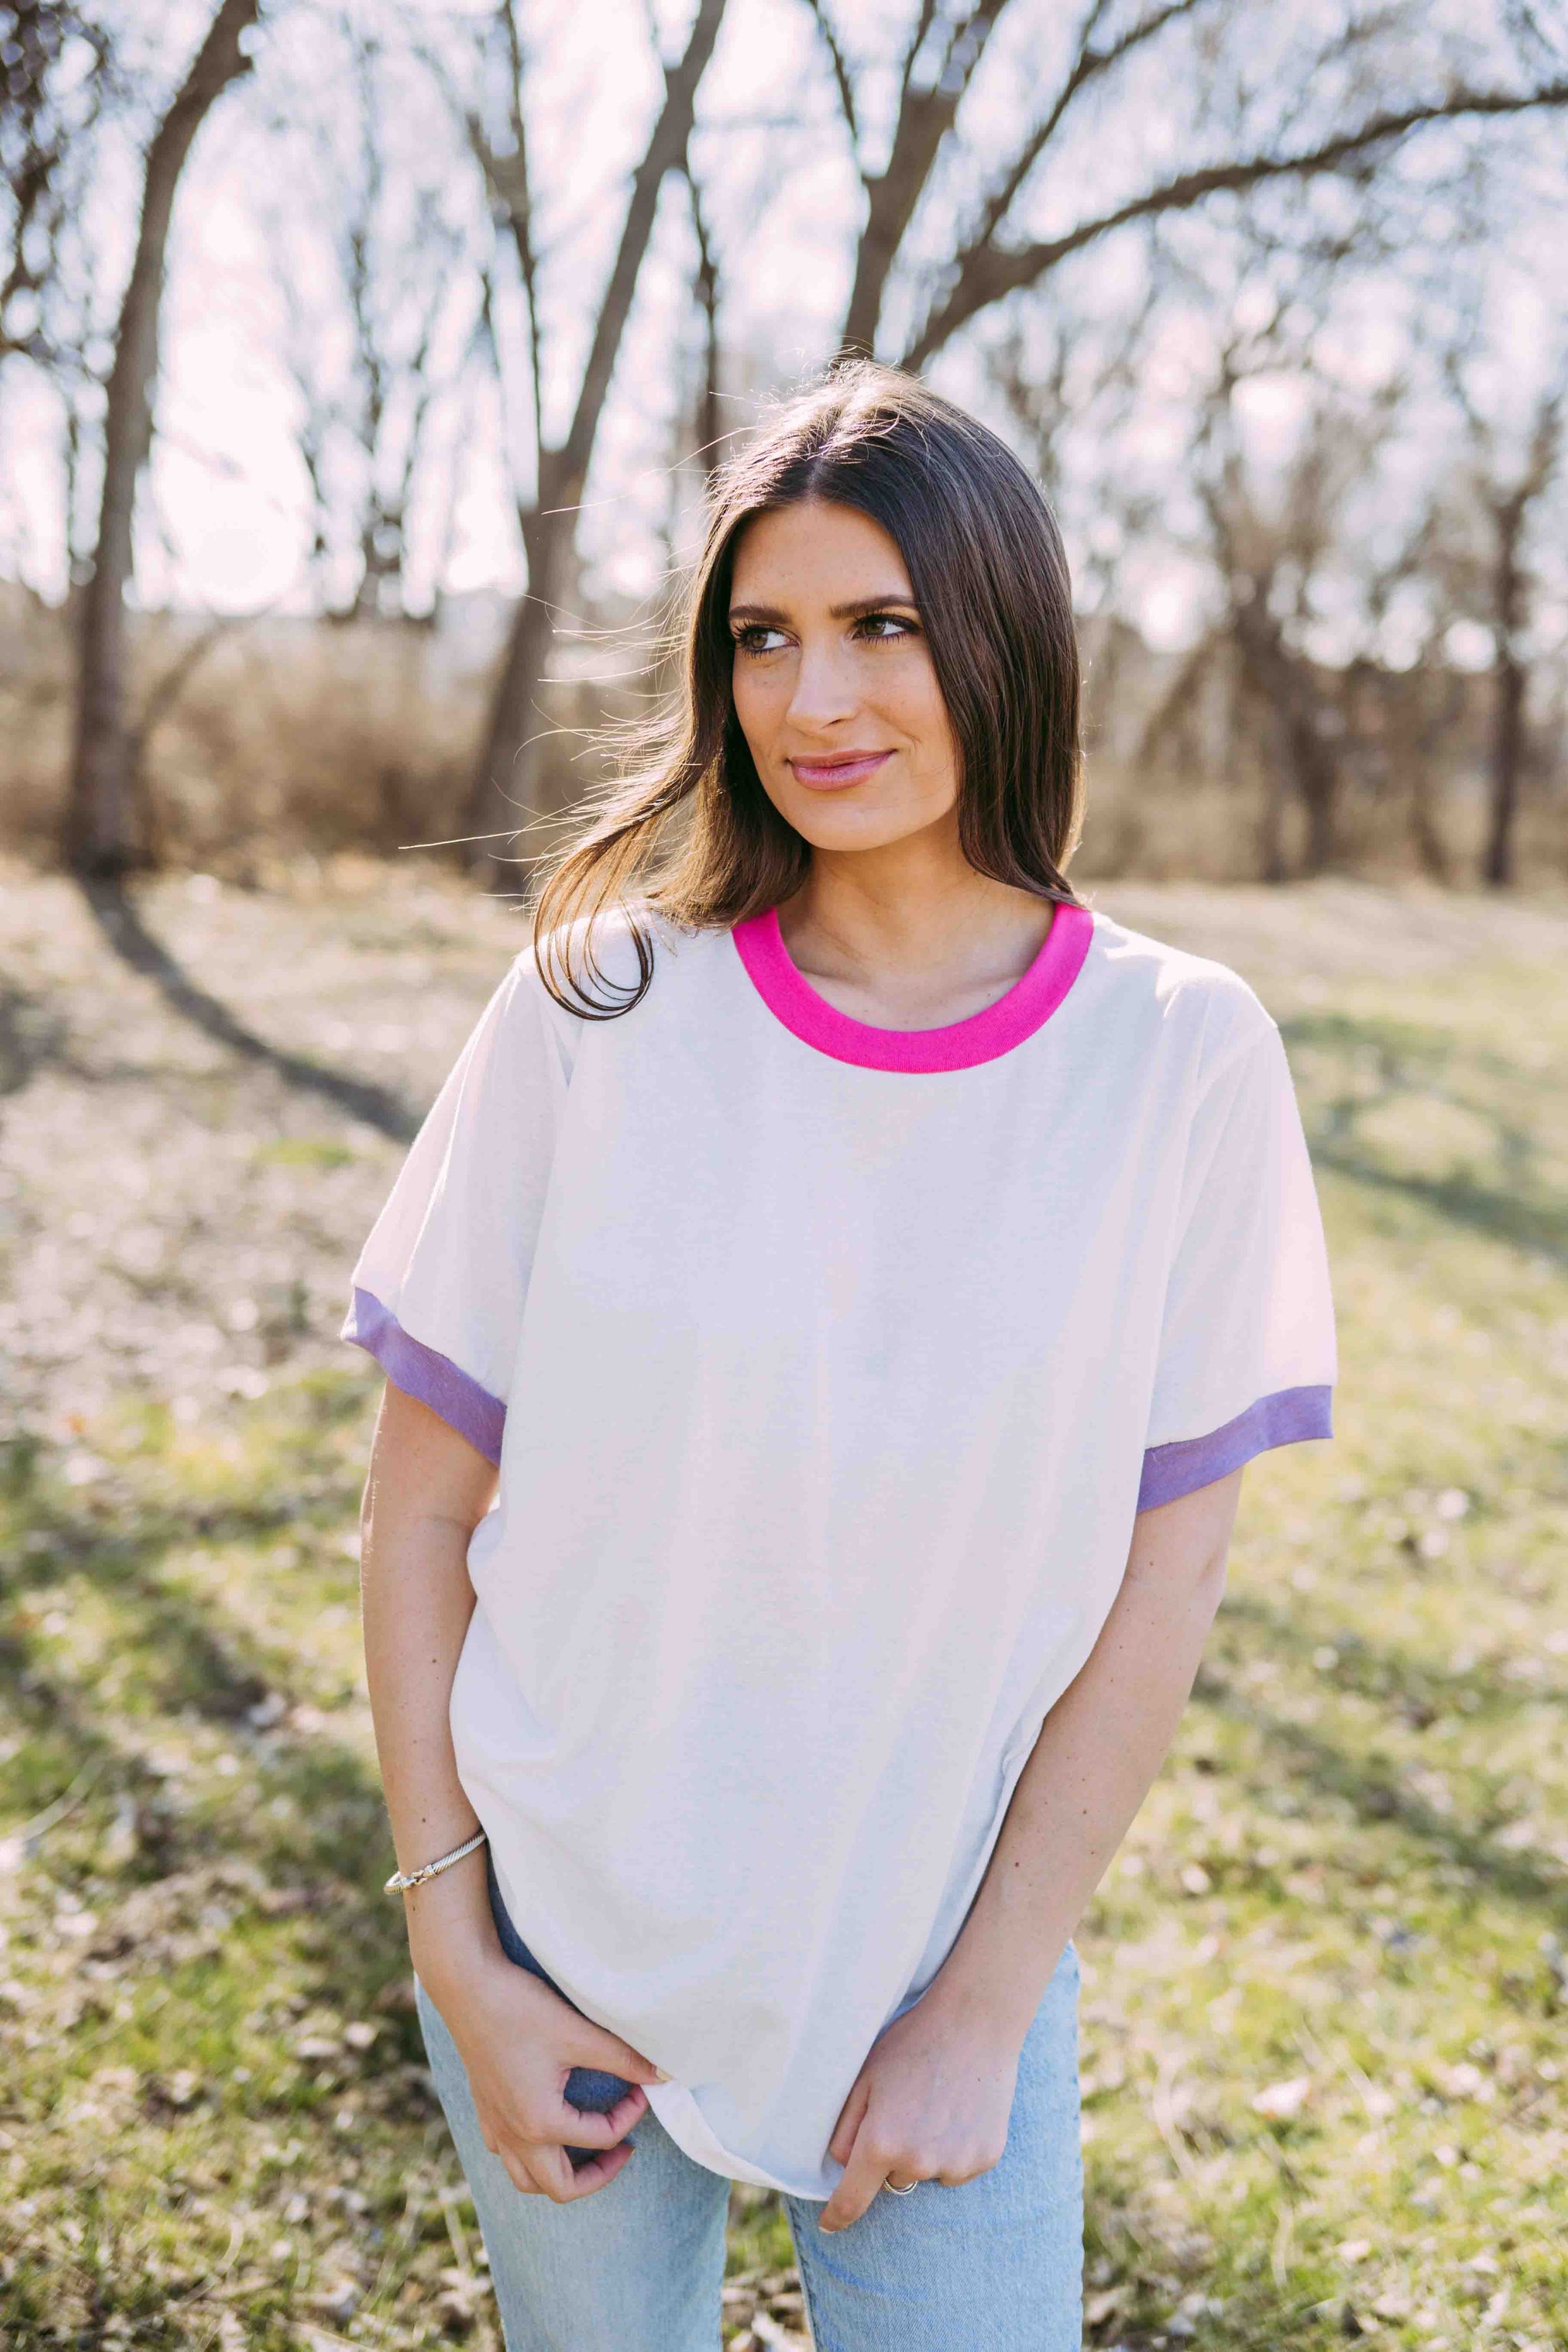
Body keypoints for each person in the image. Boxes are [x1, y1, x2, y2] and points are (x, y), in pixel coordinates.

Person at [344, 361, 1335, 2352]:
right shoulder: (593, 1011)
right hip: (558, 1948)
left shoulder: (1178, 1056)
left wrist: (984, 2010)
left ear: (1002, 637)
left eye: (884, 625)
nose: (815, 701)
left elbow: (1167, 1579)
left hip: (935, 1972)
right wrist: (459, 1948)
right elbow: (418, 1517)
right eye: (763, 636)